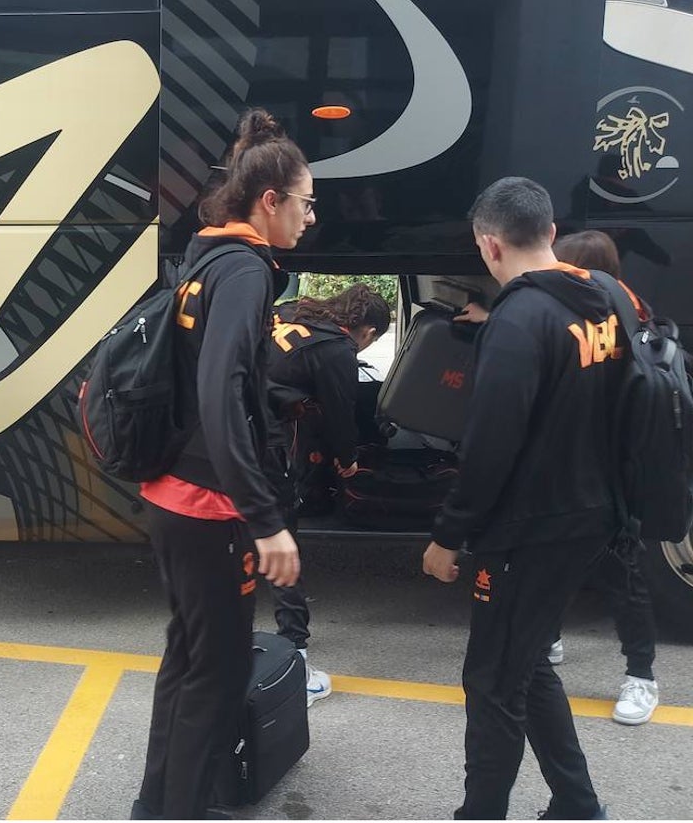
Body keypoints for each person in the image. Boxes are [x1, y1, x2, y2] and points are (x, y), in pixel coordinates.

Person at [423, 177, 619, 820]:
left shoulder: (518, 319)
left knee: (491, 682)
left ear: (489, 244)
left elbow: (489, 450)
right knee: (528, 663)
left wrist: (449, 535)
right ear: (552, 233)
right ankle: (576, 803)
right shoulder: (605, 300)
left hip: (529, 532)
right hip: (591, 514)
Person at [131, 108, 305, 820]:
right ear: (270, 201)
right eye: (306, 202)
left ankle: (157, 803)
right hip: (210, 508)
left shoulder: (203, 256)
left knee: (188, 656)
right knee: (221, 667)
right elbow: (220, 392)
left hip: (171, 493)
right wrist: (265, 521)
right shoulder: (244, 271)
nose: (310, 217)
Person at [453, 229, 661, 727]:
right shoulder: (592, 306)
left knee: (621, 579)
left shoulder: (622, 310)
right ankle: (548, 639)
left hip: (605, 483)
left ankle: (641, 675)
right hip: (579, 483)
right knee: (557, 582)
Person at [266, 284, 391, 706]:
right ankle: (294, 660)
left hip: (225, 431)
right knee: (283, 541)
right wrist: (347, 460)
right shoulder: (337, 349)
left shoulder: (292, 311)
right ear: (368, 331)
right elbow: (340, 414)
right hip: (267, 446)